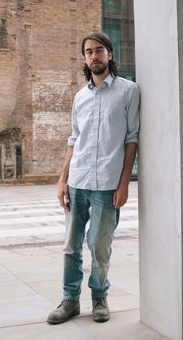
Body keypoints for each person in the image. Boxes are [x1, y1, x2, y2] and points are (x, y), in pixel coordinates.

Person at [47, 32, 140, 325]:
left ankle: (99, 296)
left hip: (107, 185)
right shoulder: (80, 96)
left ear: (110, 54)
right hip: (78, 182)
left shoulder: (129, 91)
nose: (94, 56)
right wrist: (63, 179)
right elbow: (74, 139)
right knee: (71, 246)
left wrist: (125, 182)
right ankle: (70, 300)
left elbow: (132, 138)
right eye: (88, 52)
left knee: (100, 247)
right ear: (85, 58)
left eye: (99, 50)